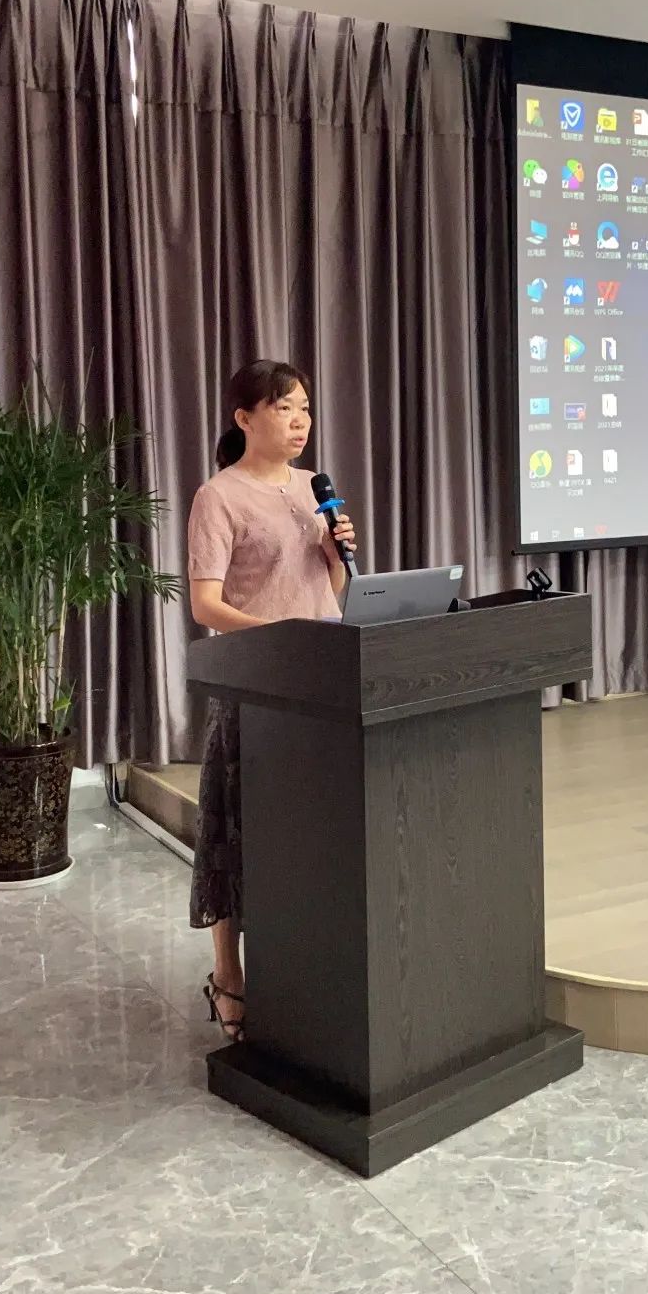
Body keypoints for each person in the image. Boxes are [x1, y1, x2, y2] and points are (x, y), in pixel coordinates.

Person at [187, 360, 356, 1041]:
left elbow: (329, 595)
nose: (299, 421)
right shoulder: (219, 496)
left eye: (305, 408)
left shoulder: (314, 489)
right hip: (255, 685)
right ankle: (228, 973)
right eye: (284, 408)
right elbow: (206, 604)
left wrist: (339, 556)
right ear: (244, 418)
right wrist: (277, 639)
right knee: (235, 835)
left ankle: (306, 961)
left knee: (311, 831)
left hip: (321, 680)